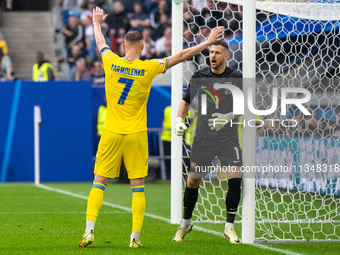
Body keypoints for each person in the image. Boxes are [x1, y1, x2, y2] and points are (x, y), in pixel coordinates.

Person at [78, 6, 224, 249]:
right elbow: (180, 56)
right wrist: (207, 42)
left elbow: (100, 41)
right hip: (136, 134)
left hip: (112, 132)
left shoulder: (110, 60)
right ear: (142, 47)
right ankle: (135, 239)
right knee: (138, 187)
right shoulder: (148, 68)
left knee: (99, 181)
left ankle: (89, 232)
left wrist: (96, 22)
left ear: (124, 46)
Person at [173, 40, 243, 244]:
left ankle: (229, 227)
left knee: (235, 177)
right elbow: (185, 100)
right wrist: (179, 120)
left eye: (217, 52)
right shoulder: (200, 75)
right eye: (211, 52)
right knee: (193, 181)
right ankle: (185, 223)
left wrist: (229, 116)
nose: (212, 55)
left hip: (228, 138)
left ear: (226, 56)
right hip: (203, 138)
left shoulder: (236, 77)